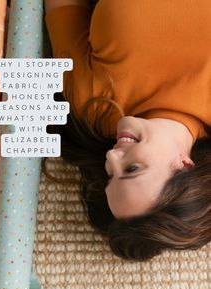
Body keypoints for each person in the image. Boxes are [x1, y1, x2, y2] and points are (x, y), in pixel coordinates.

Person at [43, 0, 211, 261]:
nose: (111, 157)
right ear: (185, 165)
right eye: (132, 169)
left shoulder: (91, 104)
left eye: (111, 175)